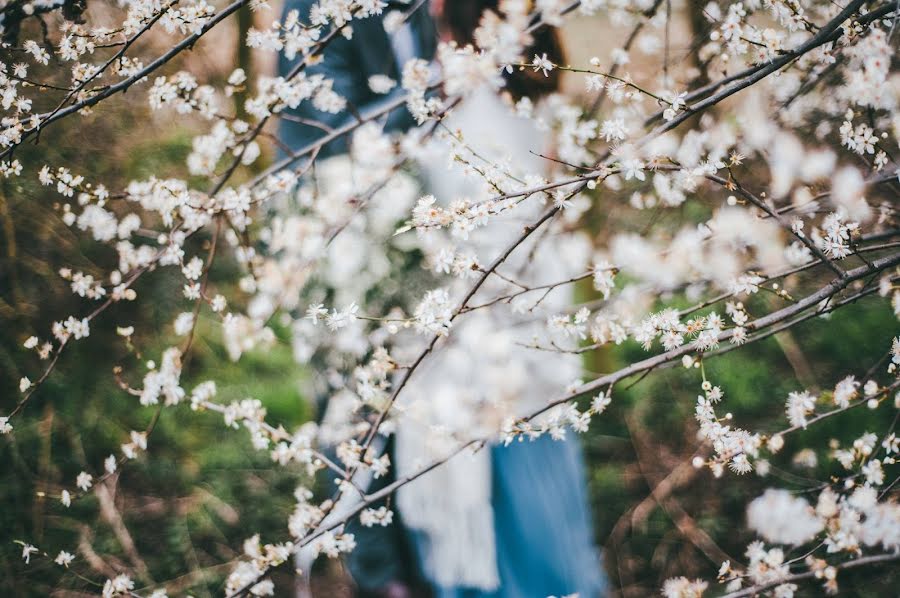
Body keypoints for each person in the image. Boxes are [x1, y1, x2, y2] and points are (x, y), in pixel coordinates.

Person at [391, 2, 608, 597]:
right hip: (524, 339)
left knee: (520, 537)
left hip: (492, 351)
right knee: (540, 526)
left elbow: (497, 237)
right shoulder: (524, 97)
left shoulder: (476, 111)